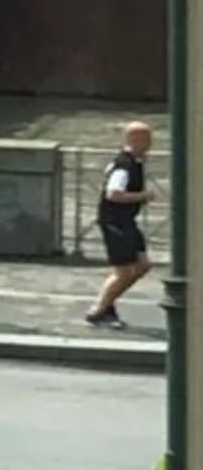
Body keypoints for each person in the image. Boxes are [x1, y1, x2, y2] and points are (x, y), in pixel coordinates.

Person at [86, 120, 156, 329]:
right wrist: (143, 195)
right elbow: (113, 194)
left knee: (143, 265)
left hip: (126, 221)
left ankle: (107, 304)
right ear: (134, 139)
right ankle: (98, 311)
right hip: (115, 222)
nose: (151, 143)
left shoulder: (134, 161)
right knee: (123, 271)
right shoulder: (124, 165)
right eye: (147, 138)